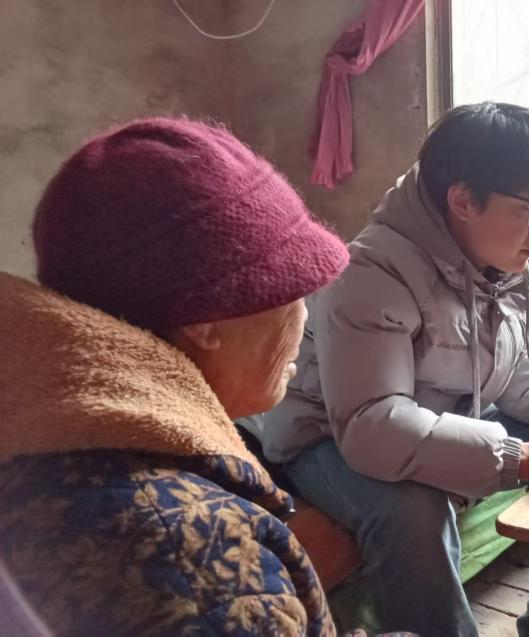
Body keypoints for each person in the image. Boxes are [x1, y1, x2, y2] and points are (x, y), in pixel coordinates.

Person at [255, 102, 529, 637]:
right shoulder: (370, 274)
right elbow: (372, 424)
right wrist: (521, 458)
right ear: (463, 200)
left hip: (444, 413)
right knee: (413, 510)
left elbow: (522, 378)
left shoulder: (508, 267)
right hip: (328, 435)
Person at [0, 118, 350, 636]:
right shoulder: (188, 559)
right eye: (291, 289)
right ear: (206, 320)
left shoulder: (54, 431)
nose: (305, 314)